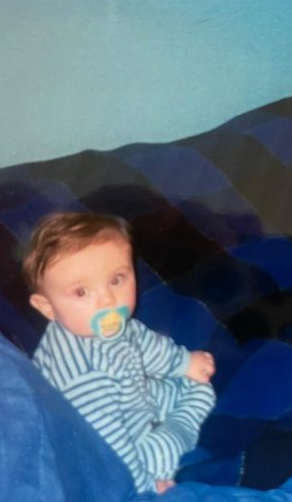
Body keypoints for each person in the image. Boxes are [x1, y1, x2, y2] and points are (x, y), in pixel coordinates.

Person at [24, 211, 216, 494]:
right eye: (81, 292)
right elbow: (110, 452)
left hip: (134, 394)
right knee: (193, 406)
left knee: (194, 382)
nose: (107, 300)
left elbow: (144, 344)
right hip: (116, 445)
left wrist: (185, 363)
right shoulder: (83, 378)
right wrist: (143, 487)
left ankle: (176, 400)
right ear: (47, 307)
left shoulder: (107, 325)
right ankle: (173, 438)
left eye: (116, 280)